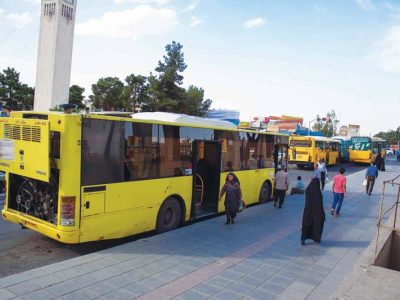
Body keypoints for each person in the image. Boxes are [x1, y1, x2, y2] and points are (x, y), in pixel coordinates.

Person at [301, 177, 325, 245]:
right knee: (317, 225)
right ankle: (316, 238)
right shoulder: (318, 192)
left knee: (306, 225)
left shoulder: (308, 189)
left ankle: (303, 239)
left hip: (308, 211)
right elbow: (320, 204)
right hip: (317, 212)